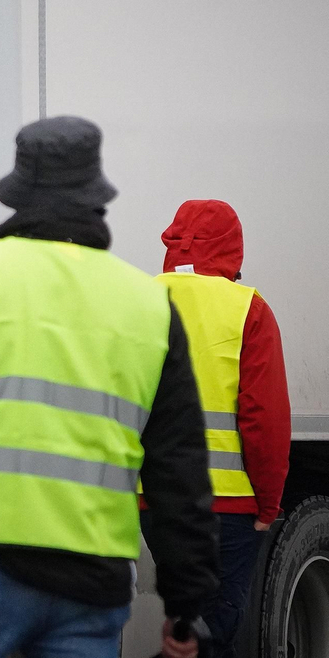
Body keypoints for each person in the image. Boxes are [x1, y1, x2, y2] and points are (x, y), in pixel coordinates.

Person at [0, 117, 219, 658]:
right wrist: (184, 602)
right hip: (91, 585)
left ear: (17, 196)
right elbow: (180, 468)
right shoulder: (148, 305)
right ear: (97, 199)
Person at [156, 200, 289, 658]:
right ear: (233, 249)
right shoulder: (247, 309)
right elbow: (262, 419)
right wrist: (269, 504)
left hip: (152, 503)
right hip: (225, 508)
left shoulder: (137, 299)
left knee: (184, 625)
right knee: (214, 629)